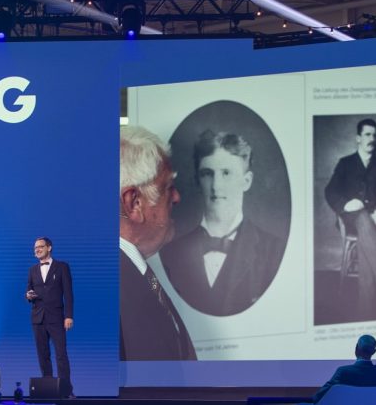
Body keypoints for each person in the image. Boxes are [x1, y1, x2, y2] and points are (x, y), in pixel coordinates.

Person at [161, 130, 286, 316]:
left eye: (226, 173)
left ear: (246, 181)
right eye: (207, 174)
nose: (216, 186)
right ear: (197, 180)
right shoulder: (170, 253)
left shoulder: (275, 252)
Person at [119, 125, 197, 361]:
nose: (177, 197)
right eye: (167, 188)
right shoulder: (113, 286)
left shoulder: (133, 272)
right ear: (134, 203)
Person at [323, 118, 376, 307]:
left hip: (373, 221)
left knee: (367, 233)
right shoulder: (345, 163)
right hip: (350, 219)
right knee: (364, 220)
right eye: (367, 135)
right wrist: (345, 205)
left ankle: (366, 304)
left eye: (374, 135)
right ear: (358, 138)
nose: (371, 139)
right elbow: (330, 191)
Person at [26, 237, 73, 391]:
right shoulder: (32, 270)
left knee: (61, 354)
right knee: (43, 355)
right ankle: (48, 389)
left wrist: (68, 316)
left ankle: (66, 390)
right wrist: (28, 296)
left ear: (49, 247)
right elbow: (29, 290)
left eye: (40, 247)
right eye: (35, 248)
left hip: (56, 317)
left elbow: (68, 293)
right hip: (38, 318)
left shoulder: (62, 267)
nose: (37, 250)